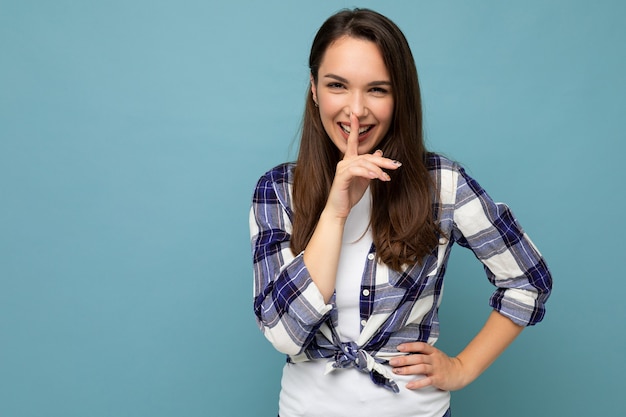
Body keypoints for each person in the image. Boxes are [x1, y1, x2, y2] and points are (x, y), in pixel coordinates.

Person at [249, 8, 551, 417]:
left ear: (400, 96)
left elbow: (527, 281)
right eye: (337, 85)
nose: (356, 111)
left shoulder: (440, 184)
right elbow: (284, 334)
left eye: (377, 90)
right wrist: (336, 211)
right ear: (314, 89)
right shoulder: (278, 191)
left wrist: (462, 368)